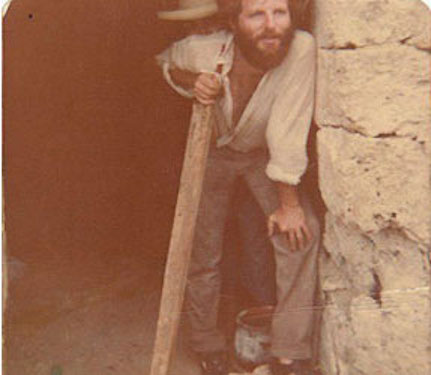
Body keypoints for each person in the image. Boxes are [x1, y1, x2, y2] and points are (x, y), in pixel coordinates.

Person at [157, 1, 320, 374]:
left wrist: (288, 205)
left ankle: (289, 352)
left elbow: (286, 129)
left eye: (279, 13)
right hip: (214, 150)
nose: (271, 26)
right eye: (256, 15)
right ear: (234, 23)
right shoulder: (205, 49)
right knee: (202, 246)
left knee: (300, 233)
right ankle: (206, 342)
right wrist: (191, 81)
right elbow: (163, 62)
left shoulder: (300, 48)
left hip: (265, 154)